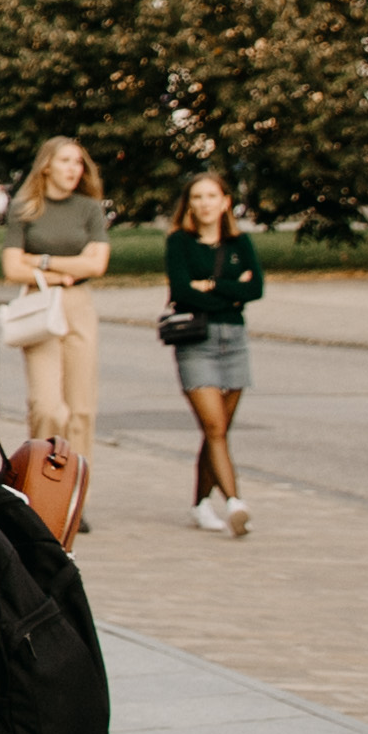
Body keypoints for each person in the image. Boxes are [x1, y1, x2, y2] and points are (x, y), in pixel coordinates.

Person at [0, 136, 107, 499]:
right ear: (47, 166)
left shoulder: (89, 209)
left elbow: (97, 264)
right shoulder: (25, 208)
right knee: (47, 406)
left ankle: (75, 494)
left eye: (78, 162)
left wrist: (40, 260)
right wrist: (60, 271)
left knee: (81, 408)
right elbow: (12, 267)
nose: (74, 169)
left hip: (78, 305)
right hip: (40, 302)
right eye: (65, 161)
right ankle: (43, 485)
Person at [163, 171, 264, 533]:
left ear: (225, 202)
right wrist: (231, 290)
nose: (204, 204)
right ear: (189, 204)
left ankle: (201, 503)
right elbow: (182, 292)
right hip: (196, 342)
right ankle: (235, 502)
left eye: (211, 196)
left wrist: (209, 284)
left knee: (218, 430)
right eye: (197, 197)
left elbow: (256, 290)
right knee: (214, 426)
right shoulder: (179, 243)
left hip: (234, 341)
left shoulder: (240, 244)